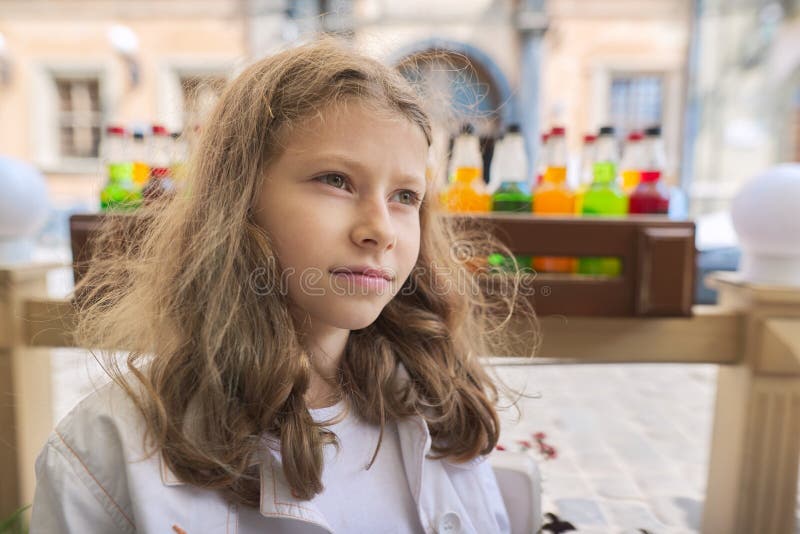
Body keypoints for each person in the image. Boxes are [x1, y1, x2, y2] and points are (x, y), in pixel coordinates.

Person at [30, 38, 537, 533]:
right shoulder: (103, 455)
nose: (380, 229)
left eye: (405, 195)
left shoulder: (439, 408)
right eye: (336, 180)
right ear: (240, 197)